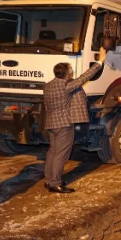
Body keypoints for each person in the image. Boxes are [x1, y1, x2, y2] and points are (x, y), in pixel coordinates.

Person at [43, 50, 105, 193]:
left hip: (51, 123)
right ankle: (55, 183)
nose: (72, 73)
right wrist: (100, 61)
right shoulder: (66, 86)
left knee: (52, 152)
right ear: (66, 74)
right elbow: (85, 77)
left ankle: (49, 180)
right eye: (70, 71)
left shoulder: (47, 86)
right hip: (64, 124)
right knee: (61, 155)